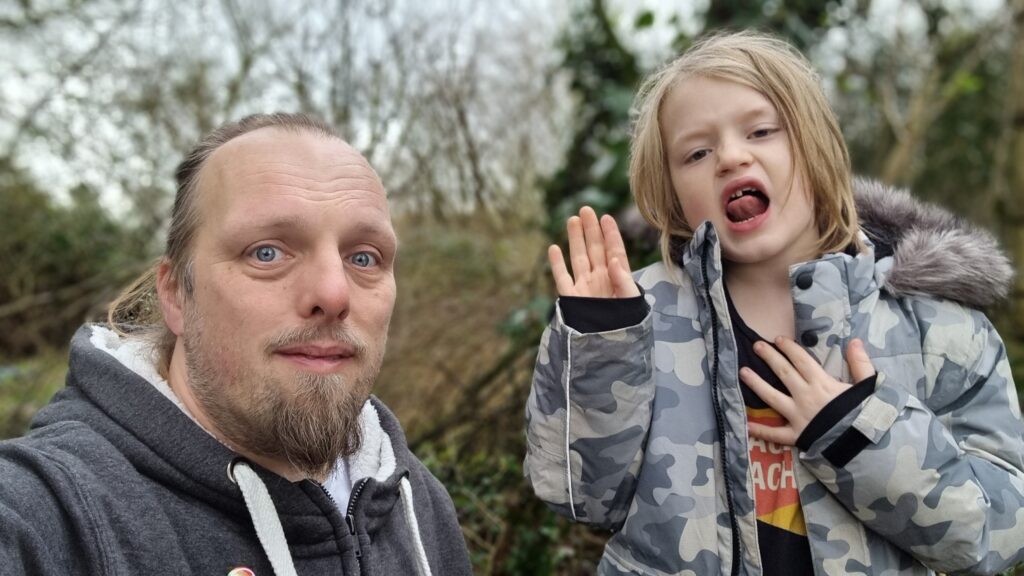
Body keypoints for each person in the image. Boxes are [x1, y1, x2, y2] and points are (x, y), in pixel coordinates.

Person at [524, 30, 1024, 575]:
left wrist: (854, 432)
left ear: (815, 146)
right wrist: (600, 350)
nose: (731, 157)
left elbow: (999, 537)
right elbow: (579, 499)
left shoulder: (938, 329)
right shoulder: (635, 322)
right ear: (671, 194)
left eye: (761, 131)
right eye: (696, 152)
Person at [0, 113, 472, 576]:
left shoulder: (417, 503)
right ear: (176, 295)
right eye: (266, 252)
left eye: (364, 257)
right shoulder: (46, 515)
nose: (333, 294)